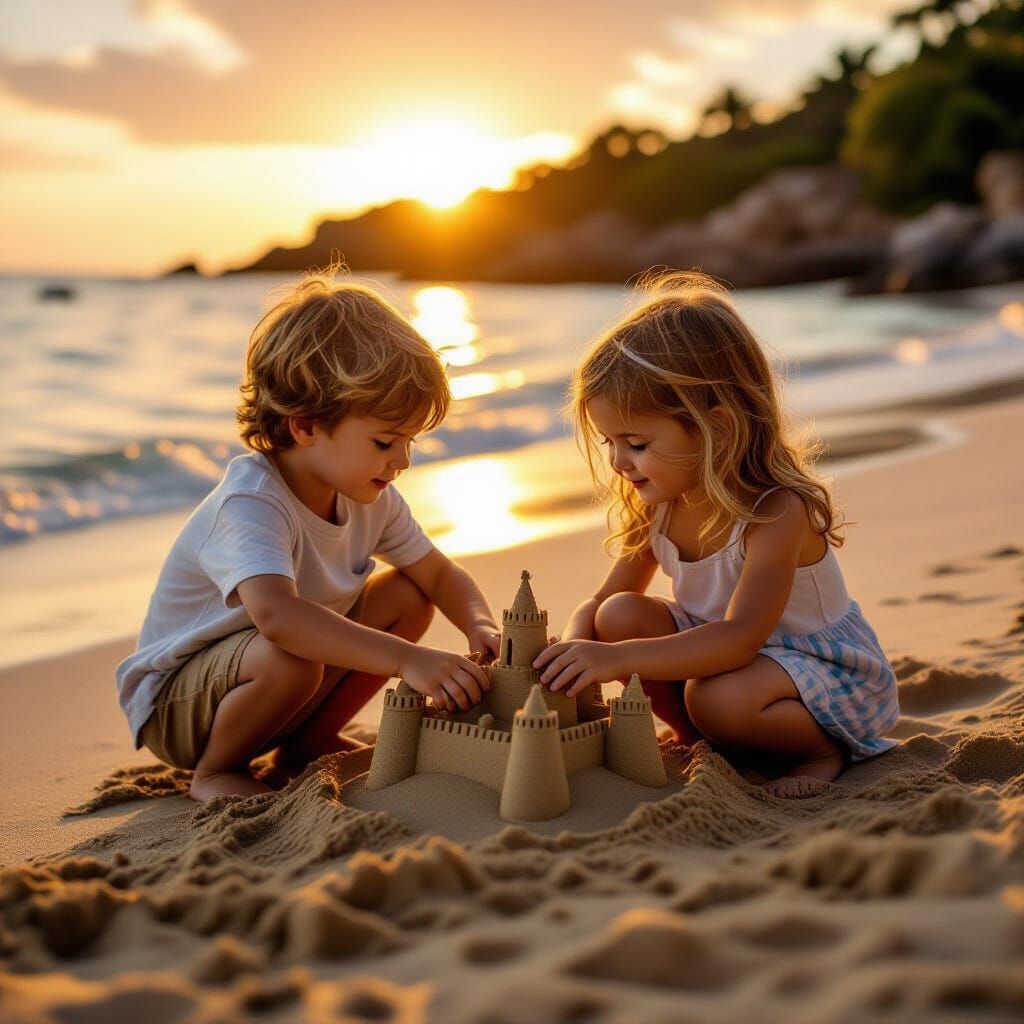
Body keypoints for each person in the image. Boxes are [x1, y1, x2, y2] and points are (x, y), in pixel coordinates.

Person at [116, 274, 498, 801]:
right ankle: (216, 771)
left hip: (275, 683)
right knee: (291, 653)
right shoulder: (251, 500)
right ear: (306, 425)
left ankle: (307, 742)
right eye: (385, 441)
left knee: (409, 593)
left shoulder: (371, 496)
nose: (402, 461)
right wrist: (409, 660)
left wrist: (481, 626)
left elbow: (437, 572)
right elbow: (278, 617)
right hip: (180, 705)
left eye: (408, 442)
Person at [535, 271, 899, 797]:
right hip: (729, 665)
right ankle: (699, 736)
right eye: (609, 441)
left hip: (816, 670)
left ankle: (824, 752)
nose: (617, 461)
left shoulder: (775, 511)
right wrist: (575, 647)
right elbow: (603, 602)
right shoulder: (661, 503)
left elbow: (740, 637)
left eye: (635, 443)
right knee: (618, 615)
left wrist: (614, 660)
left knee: (716, 698)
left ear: (719, 427)